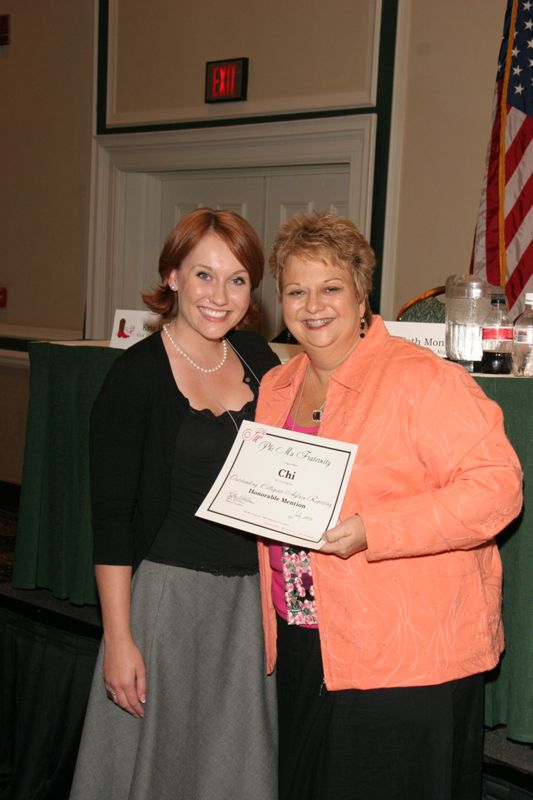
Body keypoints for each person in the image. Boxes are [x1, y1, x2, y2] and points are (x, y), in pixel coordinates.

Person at [254, 212, 523, 800]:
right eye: (296, 291)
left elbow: (497, 488)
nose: (313, 305)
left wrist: (376, 529)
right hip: (306, 638)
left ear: (360, 293)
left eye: (331, 288)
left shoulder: (422, 380)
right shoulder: (276, 387)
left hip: (404, 656)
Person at [70, 209, 279, 800]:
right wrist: (120, 640)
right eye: (203, 275)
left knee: (236, 770)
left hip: (249, 606)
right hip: (169, 607)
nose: (220, 295)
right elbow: (111, 521)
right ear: (171, 277)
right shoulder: (133, 377)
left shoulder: (260, 359)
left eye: (238, 279)